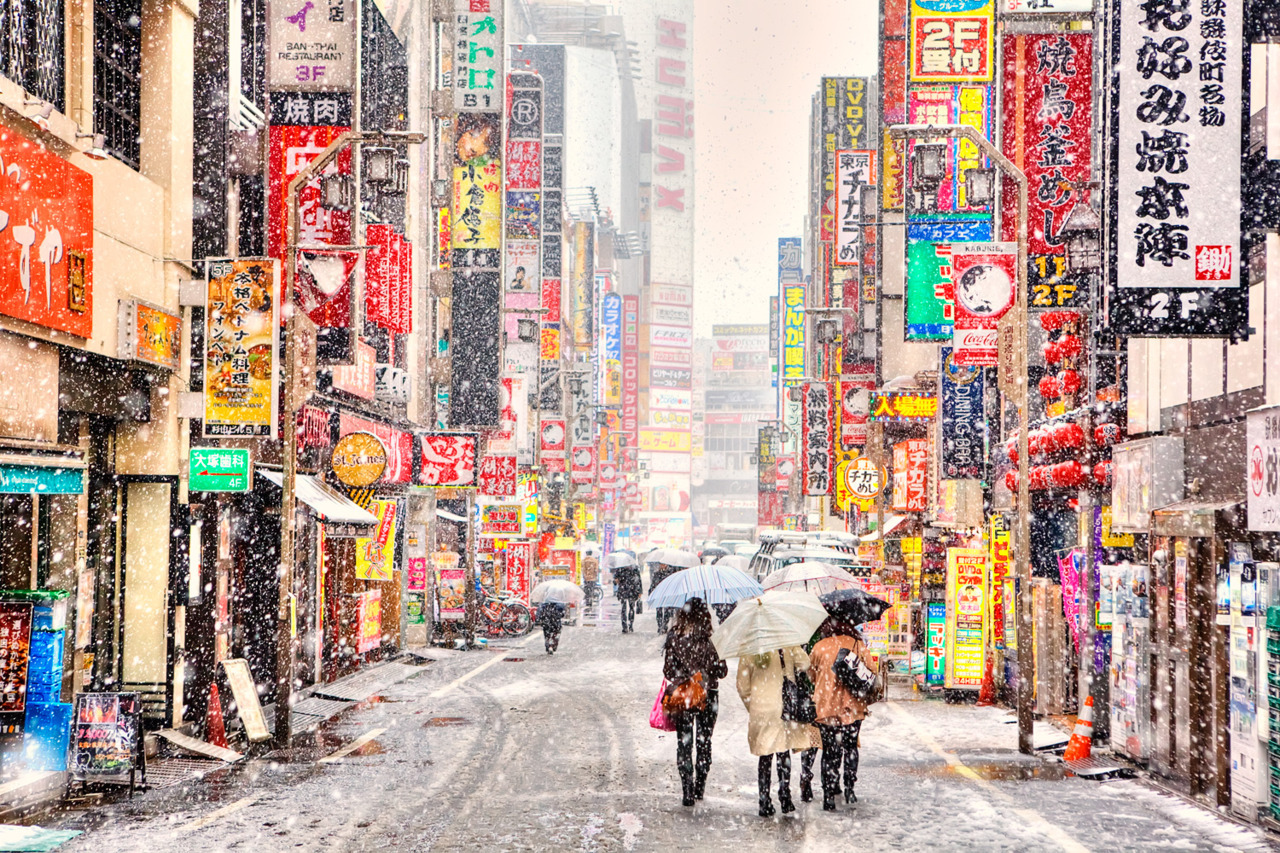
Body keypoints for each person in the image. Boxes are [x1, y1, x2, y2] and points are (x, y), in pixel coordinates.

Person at [663, 598, 727, 807]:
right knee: (704, 740)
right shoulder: (711, 638)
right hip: (708, 694)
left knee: (684, 742)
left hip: (683, 695)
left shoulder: (675, 636)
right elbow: (722, 671)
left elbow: (668, 671)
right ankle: (700, 785)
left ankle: (687, 790)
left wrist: (685, 675)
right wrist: (704, 672)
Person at [808, 621, 878, 809]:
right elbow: (873, 672)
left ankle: (828, 795)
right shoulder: (857, 645)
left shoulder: (819, 647)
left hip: (826, 707)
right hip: (853, 707)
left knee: (830, 752)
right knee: (850, 748)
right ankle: (849, 788)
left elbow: (811, 676)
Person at [736, 645, 812, 817]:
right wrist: (794, 645)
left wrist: (753, 705)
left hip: (762, 709)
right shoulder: (786, 643)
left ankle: (764, 800)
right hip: (785, 706)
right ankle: (785, 797)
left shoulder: (750, 647)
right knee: (782, 751)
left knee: (765, 754)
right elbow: (805, 663)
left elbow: (742, 687)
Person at [650, 562, 680, 633]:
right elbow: (653, 584)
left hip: (667, 594)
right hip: (659, 594)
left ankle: (664, 625)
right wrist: (651, 592)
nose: (661, 566)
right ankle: (660, 625)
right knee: (659, 611)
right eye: (661, 565)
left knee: (667, 610)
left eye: (663, 564)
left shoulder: (670, 574)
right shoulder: (657, 574)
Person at [615, 565, 642, 633]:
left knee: (630, 608)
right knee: (624, 609)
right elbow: (616, 580)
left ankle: (630, 625)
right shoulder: (621, 568)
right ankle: (625, 626)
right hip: (625, 590)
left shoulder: (633, 568)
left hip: (630, 590)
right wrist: (616, 580)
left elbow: (639, 580)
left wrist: (640, 591)